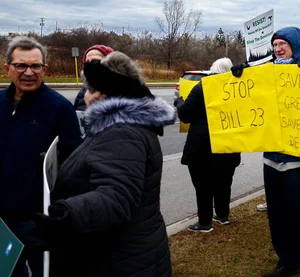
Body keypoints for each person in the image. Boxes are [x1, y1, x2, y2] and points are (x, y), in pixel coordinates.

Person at [34, 52, 175, 276]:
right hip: (128, 254)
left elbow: (116, 196)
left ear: (102, 94)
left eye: (88, 89)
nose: (85, 97)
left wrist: (65, 216)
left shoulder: (121, 131)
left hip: (120, 261)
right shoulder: (121, 126)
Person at [231, 26, 300, 277]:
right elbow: (248, 100)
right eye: (274, 45)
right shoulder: (265, 72)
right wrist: (239, 77)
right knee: (278, 216)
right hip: (272, 160)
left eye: (283, 43)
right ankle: (288, 260)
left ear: (295, 45)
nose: (277, 48)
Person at [0, 36, 82, 277]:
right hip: (3, 222)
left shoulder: (58, 108)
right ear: (7, 69)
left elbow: (72, 164)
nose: (28, 72)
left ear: (45, 69)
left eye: (36, 66)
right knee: (7, 272)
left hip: (38, 221)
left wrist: (59, 212)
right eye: (21, 66)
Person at [175, 57, 241, 233]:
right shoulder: (238, 90)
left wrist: (178, 102)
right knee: (224, 181)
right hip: (229, 144)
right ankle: (222, 215)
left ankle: (204, 223)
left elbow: (185, 114)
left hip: (202, 146)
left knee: (203, 185)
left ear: (212, 71)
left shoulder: (203, 88)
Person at [73, 44, 114, 111]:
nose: (90, 67)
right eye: (87, 63)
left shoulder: (123, 93)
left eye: (95, 62)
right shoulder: (83, 93)